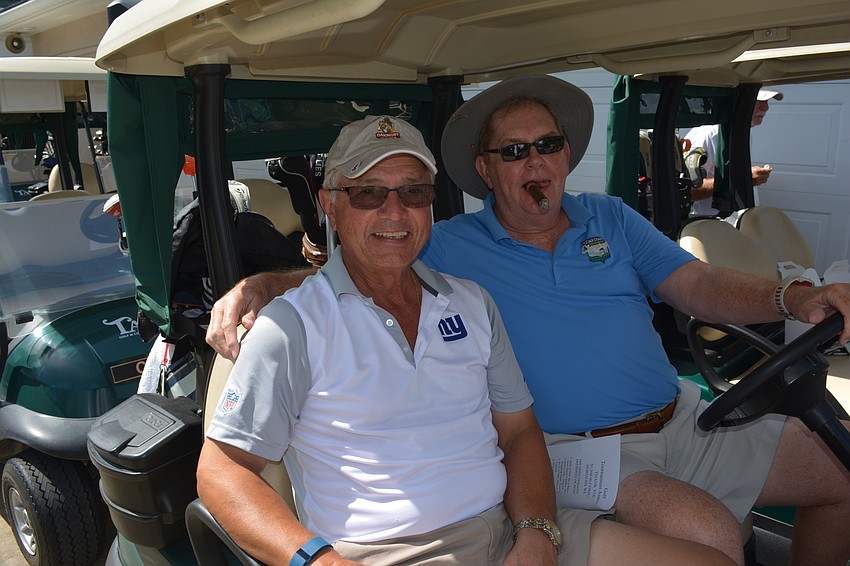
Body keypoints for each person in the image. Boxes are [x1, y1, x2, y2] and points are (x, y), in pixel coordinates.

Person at [207, 76, 850, 566]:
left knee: (839, 471)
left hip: (680, 418)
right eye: (514, 152)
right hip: (585, 452)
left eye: (547, 145)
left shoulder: (605, 221)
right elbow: (370, 258)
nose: (536, 163)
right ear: (486, 171)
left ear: (567, 154)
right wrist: (266, 283)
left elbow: (700, 285)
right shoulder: (449, 244)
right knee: (707, 533)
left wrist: (791, 296)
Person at [684, 88, 783, 216]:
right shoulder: (707, 134)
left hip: (738, 225)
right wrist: (742, 179)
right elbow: (688, 190)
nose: (766, 107)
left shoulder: (742, 133)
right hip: (711, 227)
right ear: (735, 101)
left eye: (767, 101)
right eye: (758, 101)